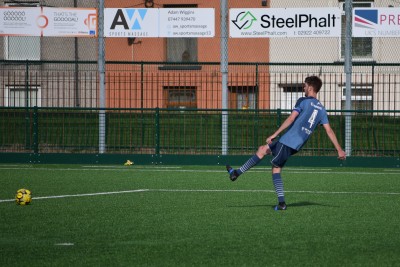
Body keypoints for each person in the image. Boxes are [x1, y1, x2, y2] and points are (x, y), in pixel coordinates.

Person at [226, 76, 346, 211]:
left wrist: (274, 134)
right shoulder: (322, 109)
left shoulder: (303, 101)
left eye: (305, 86)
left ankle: (282, 203)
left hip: (288, 141)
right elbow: (329, 131)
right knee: (262, 150)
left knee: (276, 170)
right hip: (294, 144)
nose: (303, 88)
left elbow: (291, 118)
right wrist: (339, 150)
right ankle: (236, 173)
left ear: (310, 88)